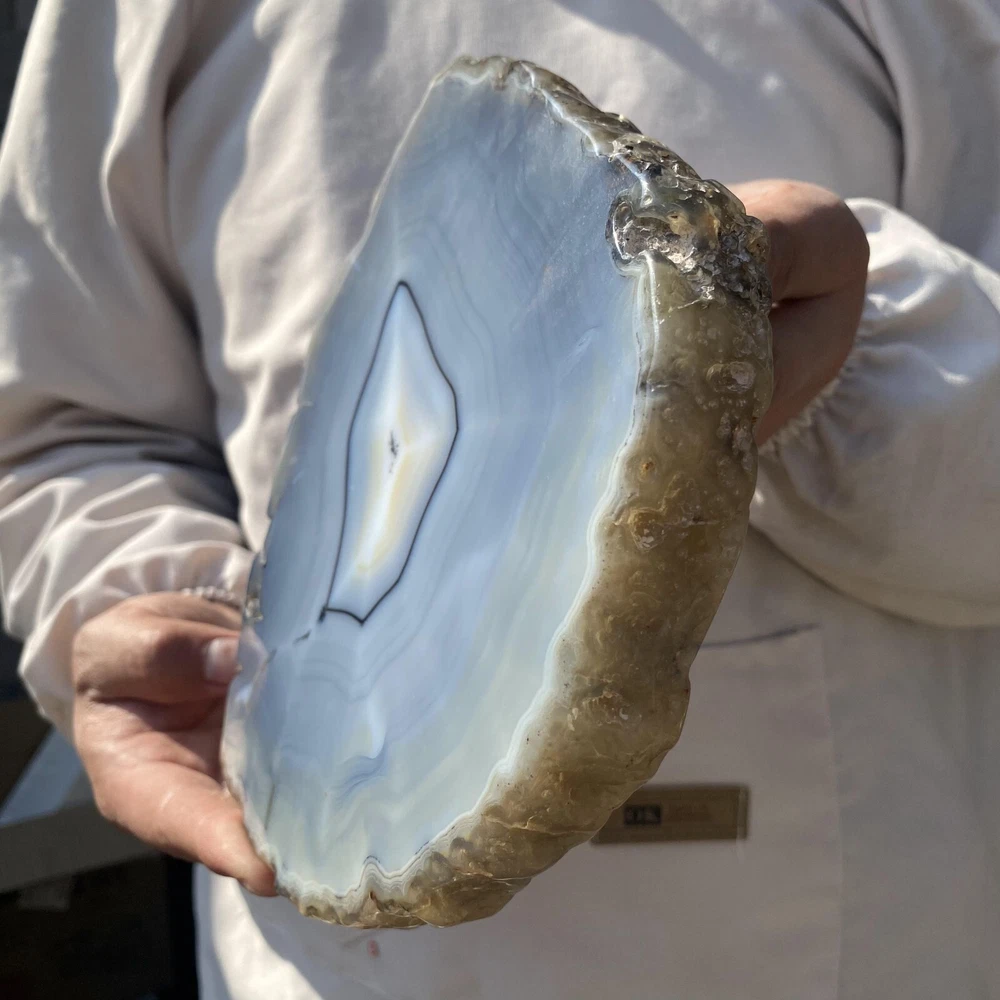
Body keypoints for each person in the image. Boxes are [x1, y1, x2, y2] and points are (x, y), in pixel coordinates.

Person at [1, 0, 998, 997]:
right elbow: (69, 423)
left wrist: (817, 357)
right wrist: (138, 607)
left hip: (850, 939)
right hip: (317, 938)